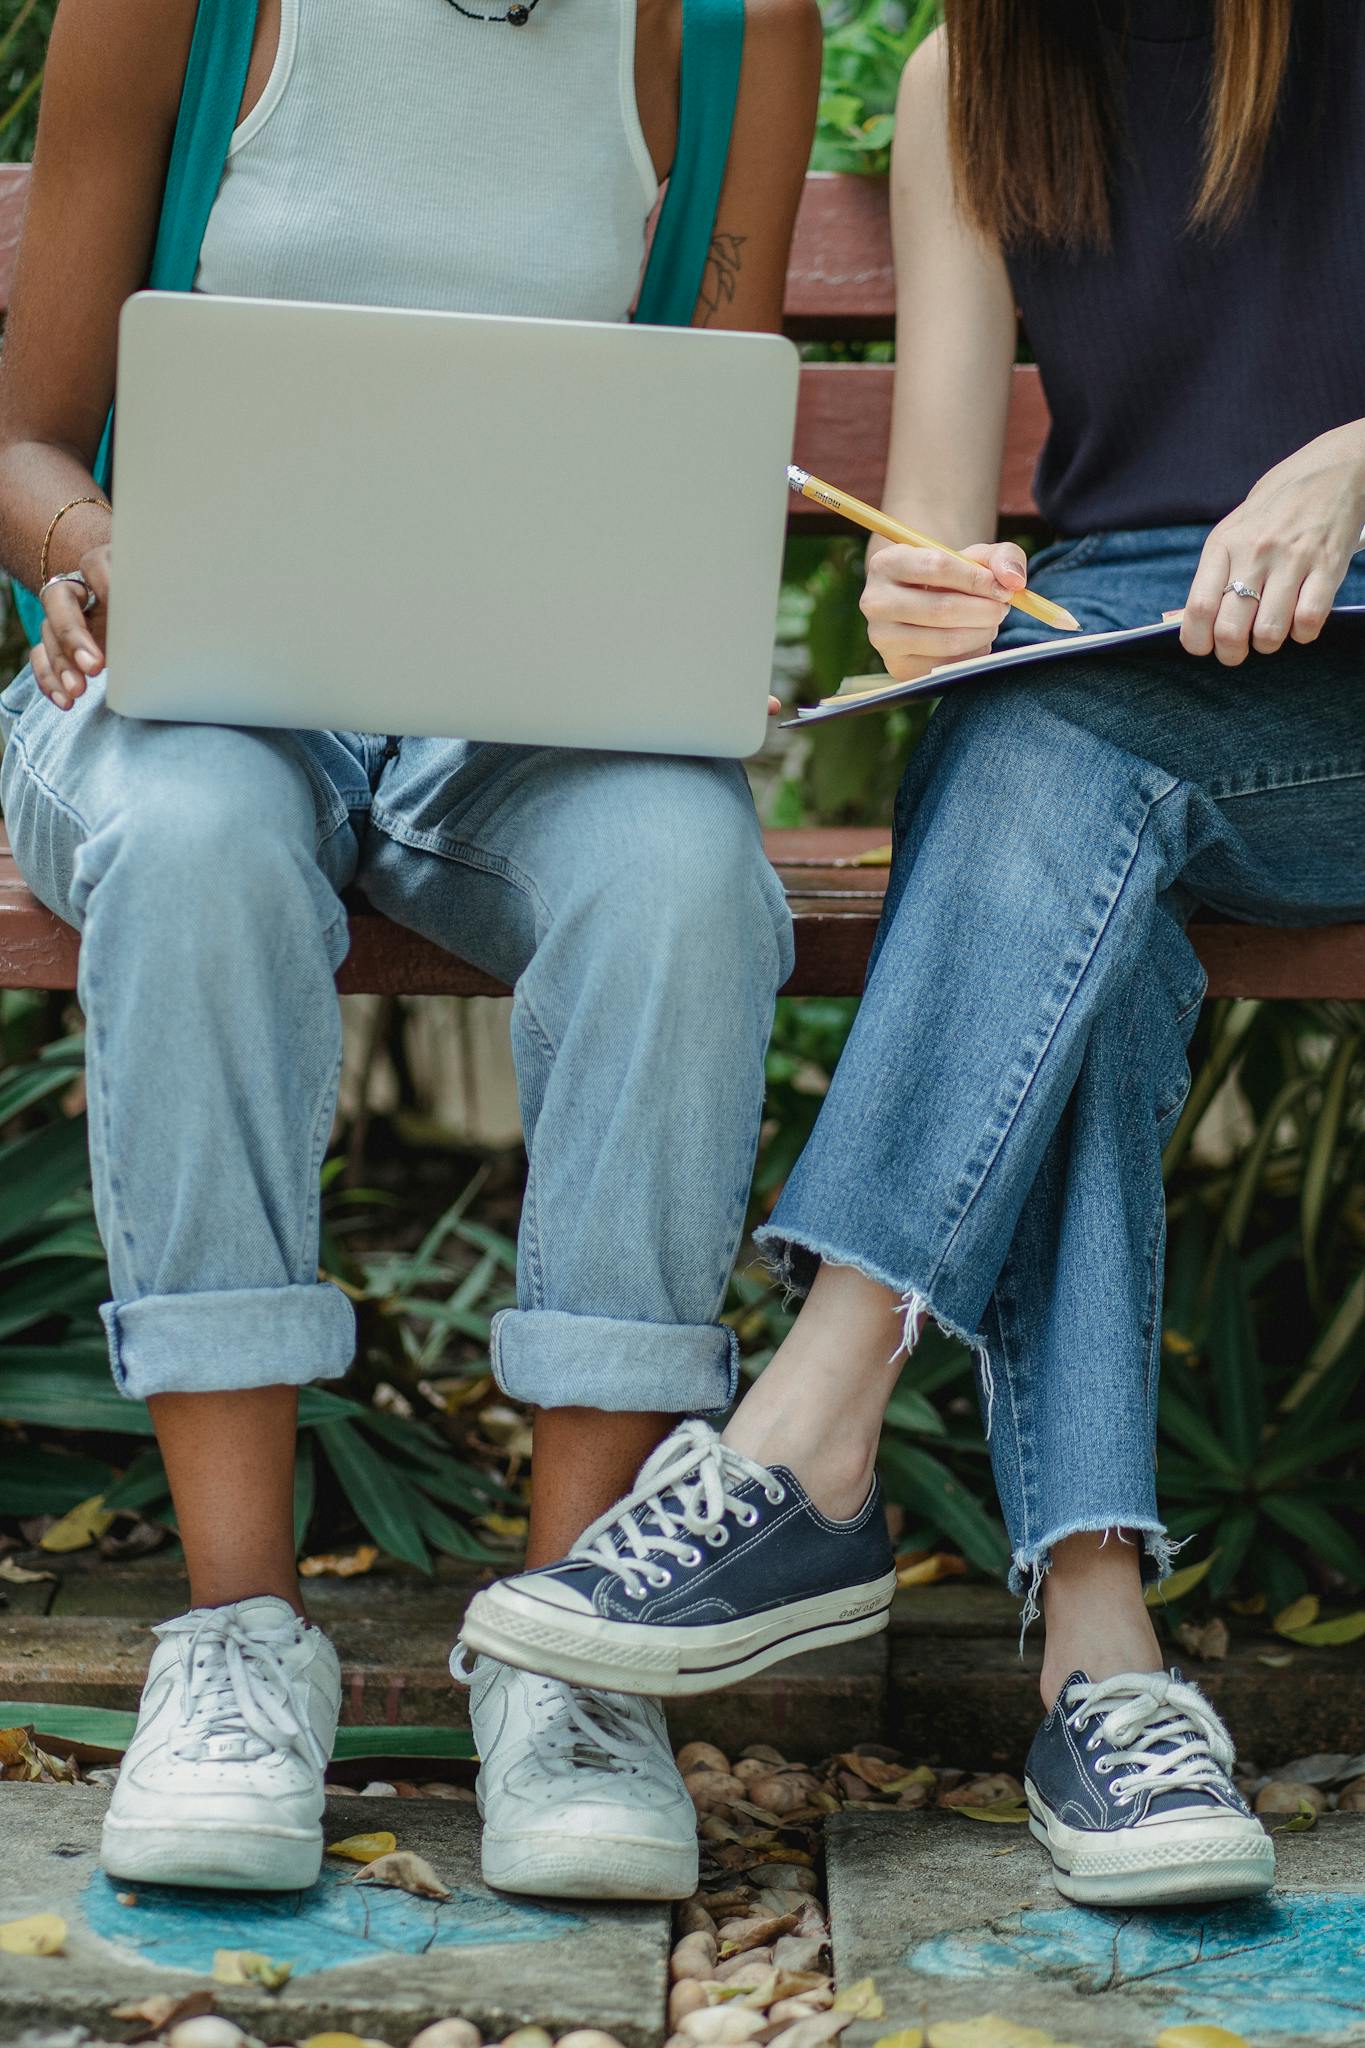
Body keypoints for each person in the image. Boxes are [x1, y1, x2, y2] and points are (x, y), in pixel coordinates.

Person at [462, 0, 1365, 1909]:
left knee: (1051, 768)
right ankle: (1102, 1673)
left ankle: (807, 1431)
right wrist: (917, 597)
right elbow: (946, 537)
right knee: (1042, 790)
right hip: (1112, 682)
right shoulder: (985, 69)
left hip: (1339, 697)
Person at [0, 0, 820, 1898]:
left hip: (511, 713)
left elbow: (702, 450)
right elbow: (28, 439)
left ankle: (565, 1663)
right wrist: (98, 548)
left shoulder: (725, 27)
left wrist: (680, 624)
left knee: (684, 874)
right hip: (190, 683)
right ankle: (235, 1639)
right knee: (199, 839)